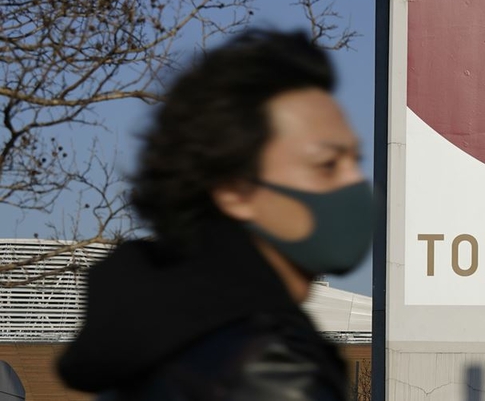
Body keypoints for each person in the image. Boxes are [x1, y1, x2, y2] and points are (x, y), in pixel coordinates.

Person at [57, 29, 374, 399]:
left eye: (356, 161)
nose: (357, 184)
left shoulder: (157, 343)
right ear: (233, 191)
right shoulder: (269, 370)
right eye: (327, 164)